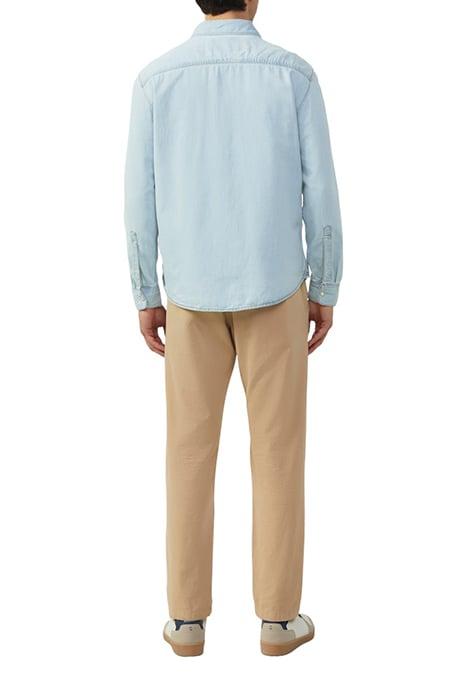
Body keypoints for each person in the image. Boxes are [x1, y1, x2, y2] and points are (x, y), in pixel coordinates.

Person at [124, 0, 342, 657]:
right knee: (277, 454)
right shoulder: (292, 75)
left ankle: (186, 622)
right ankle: (278, 621)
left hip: (189, 297)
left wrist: (145, 291)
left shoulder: (156, 80)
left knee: (187, 454)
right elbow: (321, 193)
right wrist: (325, 286)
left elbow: (139, 199)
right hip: (276, 290)